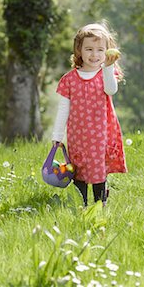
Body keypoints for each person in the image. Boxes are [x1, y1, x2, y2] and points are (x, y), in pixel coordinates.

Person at [51, 22, 127, 206]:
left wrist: (108, 67)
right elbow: (63, 109)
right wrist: (57, 135)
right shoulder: (69, 79)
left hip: (100, 133)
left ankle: (100, 203)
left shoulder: (106, 74)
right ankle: (82, 203)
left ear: (107, 51)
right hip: (77, 134)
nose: (95, 54)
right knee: (79, 168)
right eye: (89, 49)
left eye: (100, 50)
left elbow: (111, 90)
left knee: (97, 166)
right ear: (79, 50)